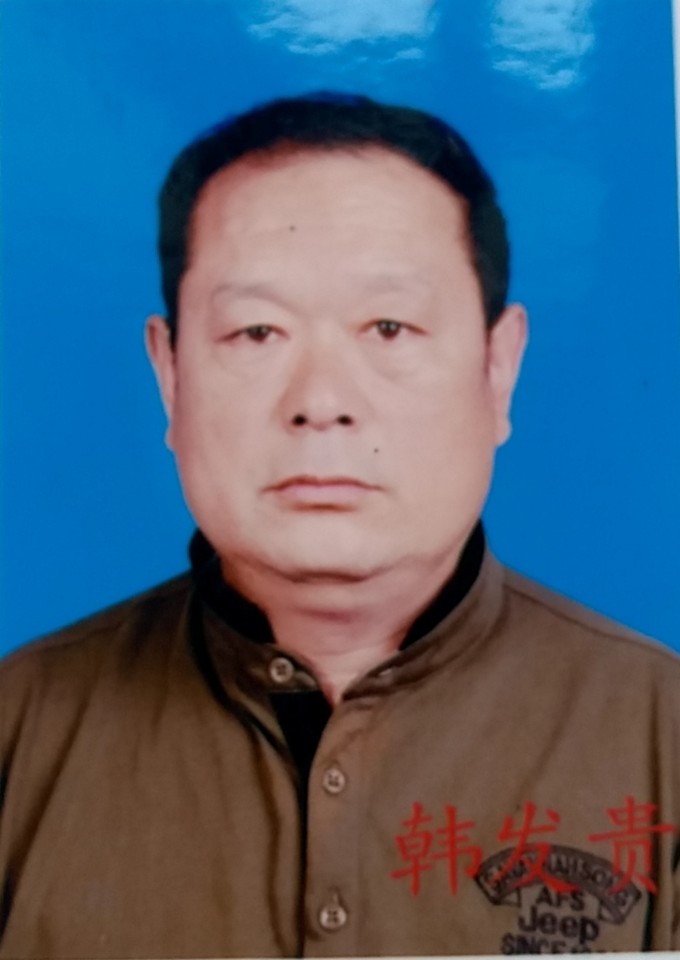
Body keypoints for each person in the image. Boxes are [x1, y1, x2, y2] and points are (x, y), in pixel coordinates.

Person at [1, 92, 678, 959]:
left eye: (389, 327)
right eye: (257, 332)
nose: (321, 402)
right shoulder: (16, 731)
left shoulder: (663, 734)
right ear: (170, 375)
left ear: (498, 367)